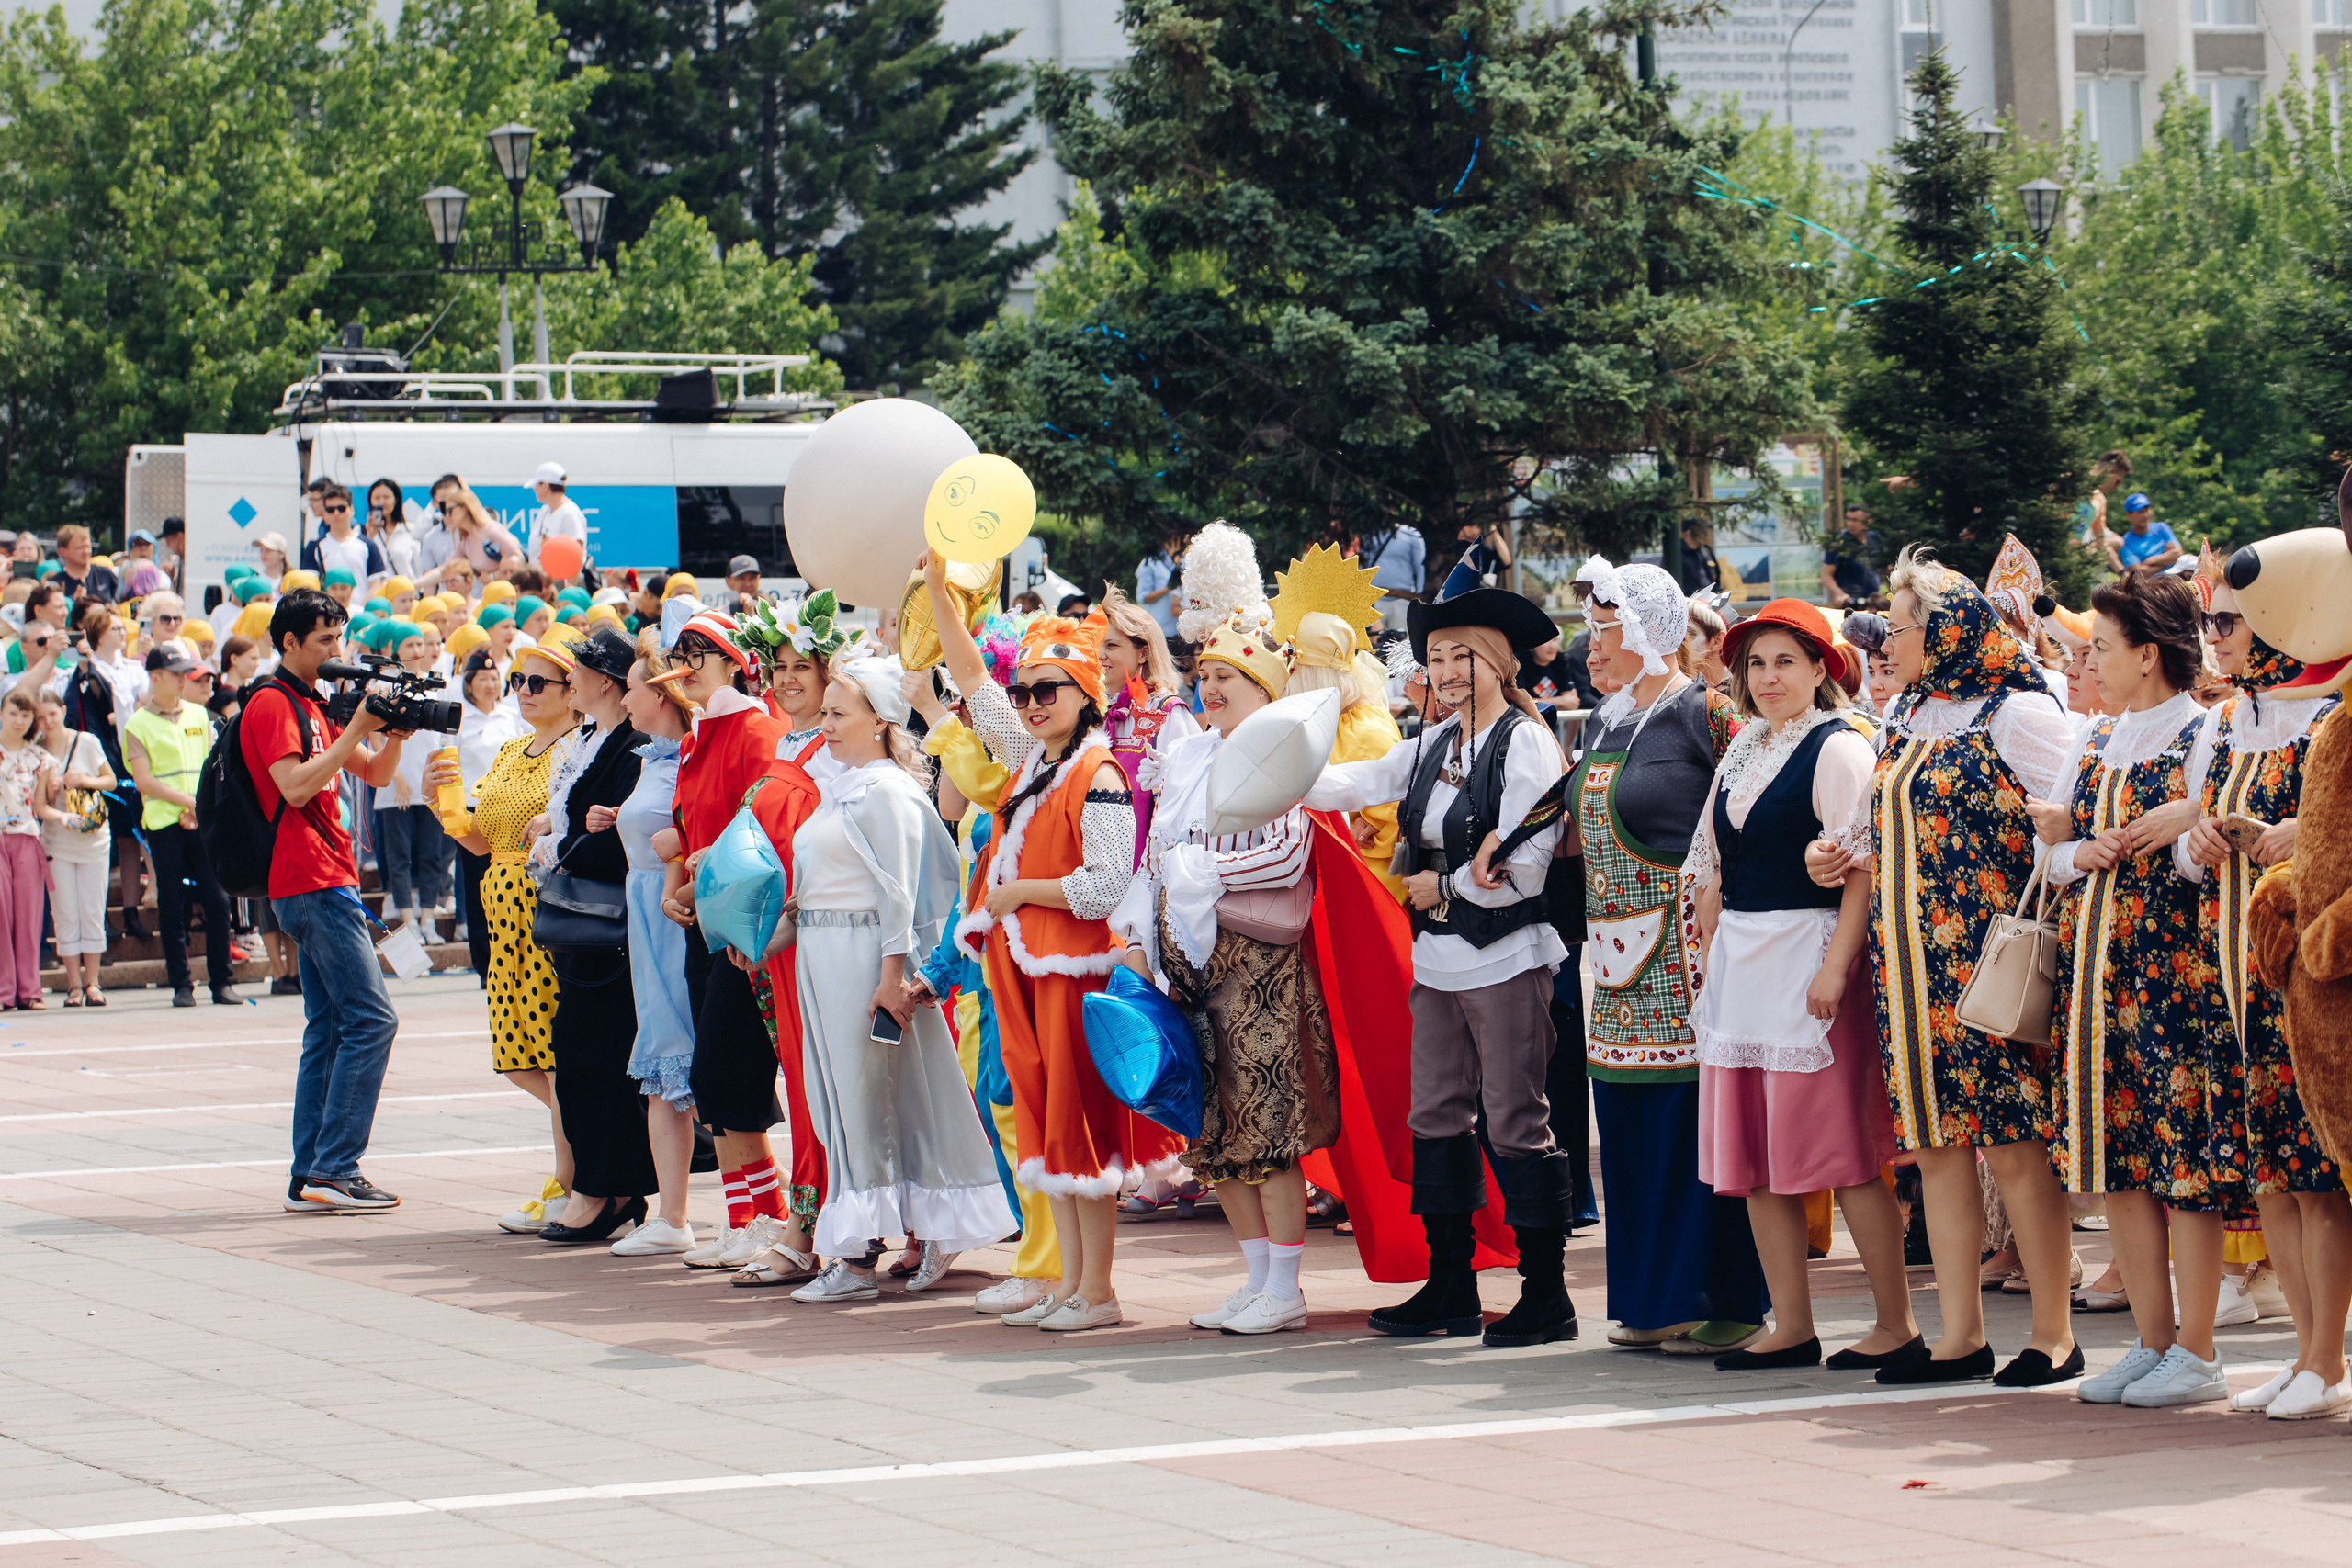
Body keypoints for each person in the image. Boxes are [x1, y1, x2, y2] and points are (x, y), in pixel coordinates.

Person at [1807, 550, 2082, 1384]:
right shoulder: (1907, 714)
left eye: (1899, 628)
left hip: (1987, 964)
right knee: (1934, 1150)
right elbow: (1873, 826)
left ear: (1948, 627)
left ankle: (2054, 1333)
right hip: (1909, 964)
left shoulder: (2019, 710)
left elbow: (2071, 819)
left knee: (2010, 1143)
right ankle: (1960, 1334)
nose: (1887, 645)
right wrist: (1836, 853)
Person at [1306, 586, 1582, 1348]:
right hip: (1440, 957)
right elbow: (1351, 784)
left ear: (1496, 661)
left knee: (1517, 1117)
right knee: (1434, 1115)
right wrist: (1263, 758)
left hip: (1505, 954)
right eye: (1434, 657)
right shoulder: (1432, 743)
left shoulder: (1524, 742)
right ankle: (1451, 1284)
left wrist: (1446, 885)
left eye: (1460, 654)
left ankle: (1547, 1293)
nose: (1445, 670)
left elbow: (1527, 864)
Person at [923, 549, 1183, 1331]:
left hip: (1073, 974)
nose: (1029, 702)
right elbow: (972, 680)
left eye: (1047, 690)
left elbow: (1106, 881)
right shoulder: (1034, 759)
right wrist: (939, 593)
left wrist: (1016, 892)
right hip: (1024, 969)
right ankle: (1070, 1282)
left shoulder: (1098, 772)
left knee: (1080, 1132)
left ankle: (1096, 1290)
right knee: (1045, 1129)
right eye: (1025, 690)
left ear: (1086, 696)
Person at [1534, 556, 1769, 1356]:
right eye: (1589, 633)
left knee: (1693, 1121)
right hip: (1613, 953)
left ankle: (1728, 1296)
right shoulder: (1603, 723)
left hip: (1688, 948)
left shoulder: (1706, 712)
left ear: (1643, 631)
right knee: (1629, 1123)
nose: (1589, 650)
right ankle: (1652, 1296)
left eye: (1602, 633)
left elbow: (1756, 800)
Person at [1685, 600, 1915, 1371]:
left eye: (1786, 660)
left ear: (1822, 669)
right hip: (1746, 965)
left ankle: (1895, 1322)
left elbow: (1861, 869)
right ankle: (1791, 1320)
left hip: (1811, 960)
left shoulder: (1838, 748)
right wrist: (1714, 947)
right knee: (1755, 1158)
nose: (1769, 676)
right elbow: (1713, 865)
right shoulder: (1745, 746)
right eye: (1756, 662)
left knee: (1842, 1155)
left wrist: (1836, 966)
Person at [1115, 611, 1337, 1336]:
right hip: (1195, 968)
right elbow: (1158, 855)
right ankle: (1255, 1278)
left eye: (1227, 677)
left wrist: (1196, 868)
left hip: (1258, 968)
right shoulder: (1187, 759)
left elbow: (1286, 853)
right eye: (1204, 674)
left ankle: (1286, 1285)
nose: (1210, 687)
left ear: (1261, 686)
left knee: (1264, 1128)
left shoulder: (1280, 752)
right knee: (1215, 1133)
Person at [2037, 568, 2226, 1407]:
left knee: (2183, 1163)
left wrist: (2181, 830)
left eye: (2104, 648)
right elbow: (2051, 855)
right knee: (2122, 1161)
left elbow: (2207, 852)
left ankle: (2199, 1346)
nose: (2091, 664)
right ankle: (2152, 1342)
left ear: (2148, 654)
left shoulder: (2207, 733)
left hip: (2173, 977)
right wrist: (2082, 852)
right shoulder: (2097, 738)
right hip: (2096, 976)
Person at [778, 655, 1012, 1302]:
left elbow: (900, 895)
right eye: (824, 712)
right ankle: (896, 1235)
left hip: (862, 963)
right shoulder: (846, 788)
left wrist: (889, 977)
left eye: (836, 712)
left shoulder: (886, 792)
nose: (823, 724)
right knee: (846, 1104)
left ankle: (856, 1258)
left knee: (866, 1104)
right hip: (824, 958)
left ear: (880, 721)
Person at [2181, 569, 2352, 1417]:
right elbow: (2186, 837)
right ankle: (2301, 1352)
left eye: (2231, 620)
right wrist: (2204, 841)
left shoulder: (2329, 714)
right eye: (2210, 620)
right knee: (2276, 1174)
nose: (2214, 634)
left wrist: (2293, 837)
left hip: (2305, 974)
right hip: (2234, 965)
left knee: (2318, 1177)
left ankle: (2328, 1356)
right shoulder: (2224, 722)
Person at [659, 608, 827, 1280]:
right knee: (717, 1079)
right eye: (683, 650)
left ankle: (762, 1217)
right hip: (712, 917)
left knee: (731, 1075)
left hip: (751, 922)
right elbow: (692, 823)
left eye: (702, 650)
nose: (688, 661)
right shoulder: (707, 730)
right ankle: (747, 1218)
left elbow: (764, 827)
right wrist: (683, 885)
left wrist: (710, 880)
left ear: (733, 660)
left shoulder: (756, 727)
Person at [244, 588, 409, 1213]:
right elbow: (293, 786)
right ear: (288, 641)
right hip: (308, 877)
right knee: (373, 1020)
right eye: (323, 641)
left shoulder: (316, 701)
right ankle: (336, 1165)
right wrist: (357, 729)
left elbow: (376, 773)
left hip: (326, 874)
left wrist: (391, 731)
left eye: (339, 639)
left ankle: (311, 1170)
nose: (335, 652)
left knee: (331, 1027)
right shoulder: (272, 701)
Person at [438, 641, 581, 1231]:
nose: (523, 690)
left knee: (553, 1052)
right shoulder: (511, 748)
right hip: (501, 909)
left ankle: (571, 1180)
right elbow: (479, 837)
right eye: (520, 680)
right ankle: (599, 1136)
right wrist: (442, 802)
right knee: (519, 1052)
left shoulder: (577, 753)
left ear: (574, 693)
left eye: (538, 683)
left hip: (547, 905)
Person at [533, 626, 657, 1245]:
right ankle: (608, 1184)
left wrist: (558, 846)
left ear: (602, 680)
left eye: (575, 670)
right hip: (590, 930)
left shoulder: (630, 746)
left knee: (597, 1054)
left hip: (613, 927)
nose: (567, 680)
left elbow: (614, 838)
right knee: (584, 1052)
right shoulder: (591, 740)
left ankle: (605, 1187)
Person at [607, 634, 700, 1256]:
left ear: (659, 692)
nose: (625, 697)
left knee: (677, 1049)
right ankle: (673, 1211)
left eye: (634, 685)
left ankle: (678, 1213)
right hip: (645, 909)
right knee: (662, 1051)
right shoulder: (654, 756)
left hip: (671, 911)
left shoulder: (692, 755)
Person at [124, 643, 238, 1007]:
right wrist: (188, 802)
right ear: (154, 677)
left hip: (199, 821)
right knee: (173, 904)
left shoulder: (197, 715)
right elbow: (144, 780)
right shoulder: (137, 723)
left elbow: (211, 766)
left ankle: (221, 981)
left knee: (218, 901)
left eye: (182, 672)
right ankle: (182, 985)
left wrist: (199, 805)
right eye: (174, 673)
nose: (181, 678)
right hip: (164, 824)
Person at [62, 602, 148, 942]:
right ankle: (101, 917)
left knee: (130, 837)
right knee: (103, 838)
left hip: (131, 755)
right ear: (98, 633)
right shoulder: (85, 668)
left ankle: (130, 911)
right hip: (100, 759)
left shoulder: (133, 668)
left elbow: (143, 701)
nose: (121, 632)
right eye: (114, 628)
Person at [1098, 585, 1198, 863]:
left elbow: (1188, 801)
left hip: (1146, 873)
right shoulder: (1093, 712)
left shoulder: (1167, 712)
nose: (1100, 655)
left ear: (1143, 653)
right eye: (1097, 645)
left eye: (1112, 645)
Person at [370, 624, 452, 942]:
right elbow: (374, 734)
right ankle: (408, 921)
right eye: (411, 643)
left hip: (429, 784)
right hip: (395, 788)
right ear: (397, 650)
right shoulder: (384, 684)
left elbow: (443, 738)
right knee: (399, 856)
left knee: (431, 855)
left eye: (423, 642)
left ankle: (428, 919)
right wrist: (397, 776)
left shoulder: (435, 685)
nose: (419, 649)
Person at [36, 686, 113, 1006]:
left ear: (63, 711)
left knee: (92, 910)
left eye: (51, 714)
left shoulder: (87, 741)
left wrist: (83, 780)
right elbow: (37, 804)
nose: (47, 722)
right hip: (57, 839)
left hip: (93, 838)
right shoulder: (36, 751)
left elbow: (110, 780)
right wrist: (50, 786)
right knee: (65, 913)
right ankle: (74, 985)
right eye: (40, 718)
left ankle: (93, 983)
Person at [452, 650, 521, 987]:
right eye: (483, 678)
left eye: (495, 678)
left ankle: (511, 959)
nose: (491, 684)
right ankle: (485, 964)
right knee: (478, 889)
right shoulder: (461, 720)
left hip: (511, 812)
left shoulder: (511, 716)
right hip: (474, 813)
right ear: (469, 684)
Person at [0, 689, 51, 1008]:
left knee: (30, 916)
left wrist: (68, 815)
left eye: (25, 715)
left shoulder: (40, 759)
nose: (19, 720)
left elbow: (43, 807)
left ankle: (30, 991)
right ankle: (4, 990)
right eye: (13, 713)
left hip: (28, 836)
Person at [301, 484, 386, 586]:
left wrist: (360, 603)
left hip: (361, 602)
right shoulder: (314, 548)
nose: (336, 513)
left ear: (351, 510)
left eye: (341, 508)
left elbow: (376, 585)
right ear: (325, 513)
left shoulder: (368, 545)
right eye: (330, 509)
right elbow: (309, 586)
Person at [1357, 517, 1427, 632]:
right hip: (1373, 601)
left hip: (1401, 600)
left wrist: (1418, 597)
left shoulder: (1411, 533)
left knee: (1402, 643)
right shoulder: (1368, 535)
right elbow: (1362, 566)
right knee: (1372, 644)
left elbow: (1420, 567)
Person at [1819, 504, 1883, 609]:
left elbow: (1885, 568)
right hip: (1850, 601)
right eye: (1848, 519)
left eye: (1855, 520)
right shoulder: (1839, 542)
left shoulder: (1875, 538)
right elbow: (1826, 575)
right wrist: (1839, 593)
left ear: (1868, 521)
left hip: (1873, 601)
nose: (1850, 524)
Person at [530, 462, 587, 571]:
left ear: (545, 486)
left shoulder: (570, 513)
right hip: (541, 581)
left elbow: (576, 555)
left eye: (536, 485)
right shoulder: (544, 511)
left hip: (560, 582)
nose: (534, 489)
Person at [1134, 534, 1188, 645]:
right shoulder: (1150, 563)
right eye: (1176, 540)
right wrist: (1167, 589)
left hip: (1181, 632)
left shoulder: (1183, 563)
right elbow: (1142, 597)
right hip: (1160, 630)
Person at [2109, 492, 2181, 572]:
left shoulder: (2162, 528)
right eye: (2140, 512)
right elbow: (2140, 572)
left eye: (2146, 510)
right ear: (2128, 515)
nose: (2145, 515)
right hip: (2155, 582)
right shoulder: (2125, 543)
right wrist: (2167, 558)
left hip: (2177, 573)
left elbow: (2178, 552)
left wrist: (2151, 560)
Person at [52, 525, 118, 604]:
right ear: (62, 551)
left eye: (88, 546)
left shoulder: (104, 573)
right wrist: (74, 603)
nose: (86, 552)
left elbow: (123, 601)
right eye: (80, 548)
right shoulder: (55, 583)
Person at [1677, 520, 1722, 599]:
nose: (1704, 533)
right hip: (1691, 600)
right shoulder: (1678, 554)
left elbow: (1715, 574)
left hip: (1710, 598)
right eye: (1700, 530)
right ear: (1689, 532)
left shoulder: (1706, 552)